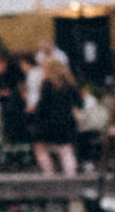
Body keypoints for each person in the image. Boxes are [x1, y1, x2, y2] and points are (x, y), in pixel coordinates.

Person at [26, 48, 79, 176]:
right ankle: (71, 177)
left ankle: (49, 174)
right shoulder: (69, 83)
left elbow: (43, 106)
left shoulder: (46, 84)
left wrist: (33, 112)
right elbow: (79, 102)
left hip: (49, 123)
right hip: (66, 121)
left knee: (40, 148)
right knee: (66, 150)